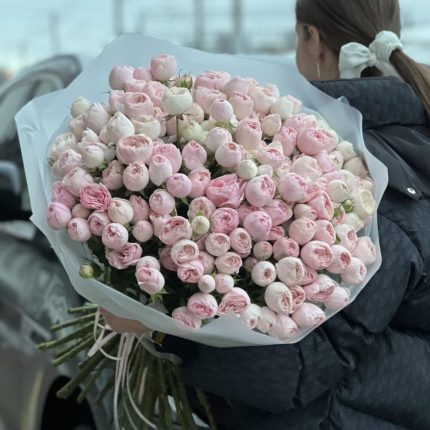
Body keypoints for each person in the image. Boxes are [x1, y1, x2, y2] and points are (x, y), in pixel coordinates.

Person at [103, 1, 430, 428]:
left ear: (312, 39)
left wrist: (158, 327)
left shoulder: (356, 178)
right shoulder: (415, 145)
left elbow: (296, 371)